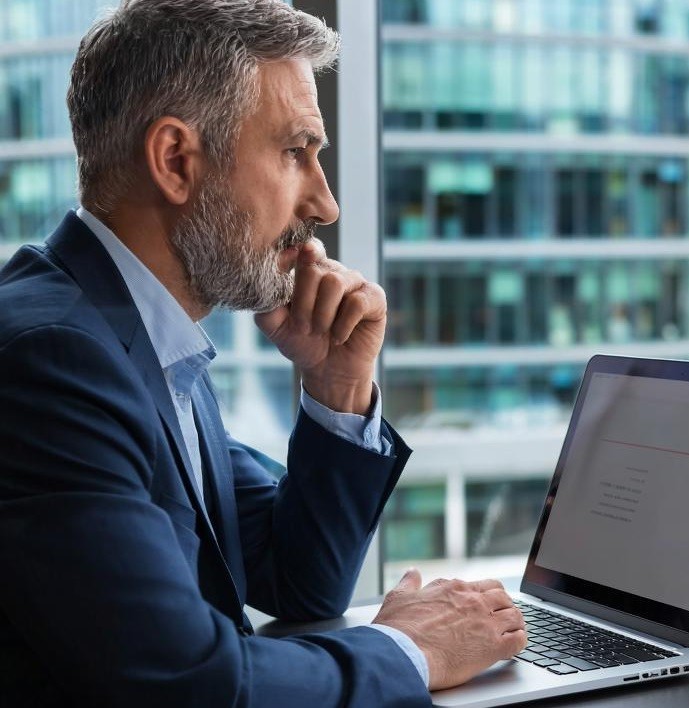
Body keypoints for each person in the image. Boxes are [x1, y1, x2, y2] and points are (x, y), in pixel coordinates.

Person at [0, 1, 526, 706]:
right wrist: (414, 649)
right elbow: (187, 684)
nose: (326, 204)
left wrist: (336, 388)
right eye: (296, 152)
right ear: (176, 161)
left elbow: (298, 581)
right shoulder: (54, 360)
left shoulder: (139, 337)